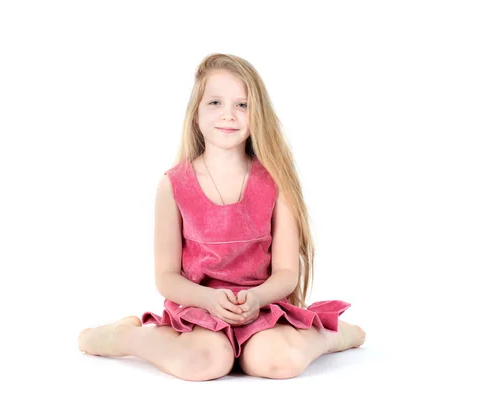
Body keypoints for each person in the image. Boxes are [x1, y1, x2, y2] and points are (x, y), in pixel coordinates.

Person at [78, 53, 366, 381]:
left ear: (257, 114)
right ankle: (124, 336)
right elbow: (167, 277)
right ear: (196, 114)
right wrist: (209, 299)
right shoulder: (173, 185)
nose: (228, 114)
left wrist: (256, 297)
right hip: (199, 309)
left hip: (263, 306)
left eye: (242, 105)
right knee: (204, 363)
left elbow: (286, 272)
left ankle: (330, 334)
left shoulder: (276, 182)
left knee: (277, 362)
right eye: (215, 102)